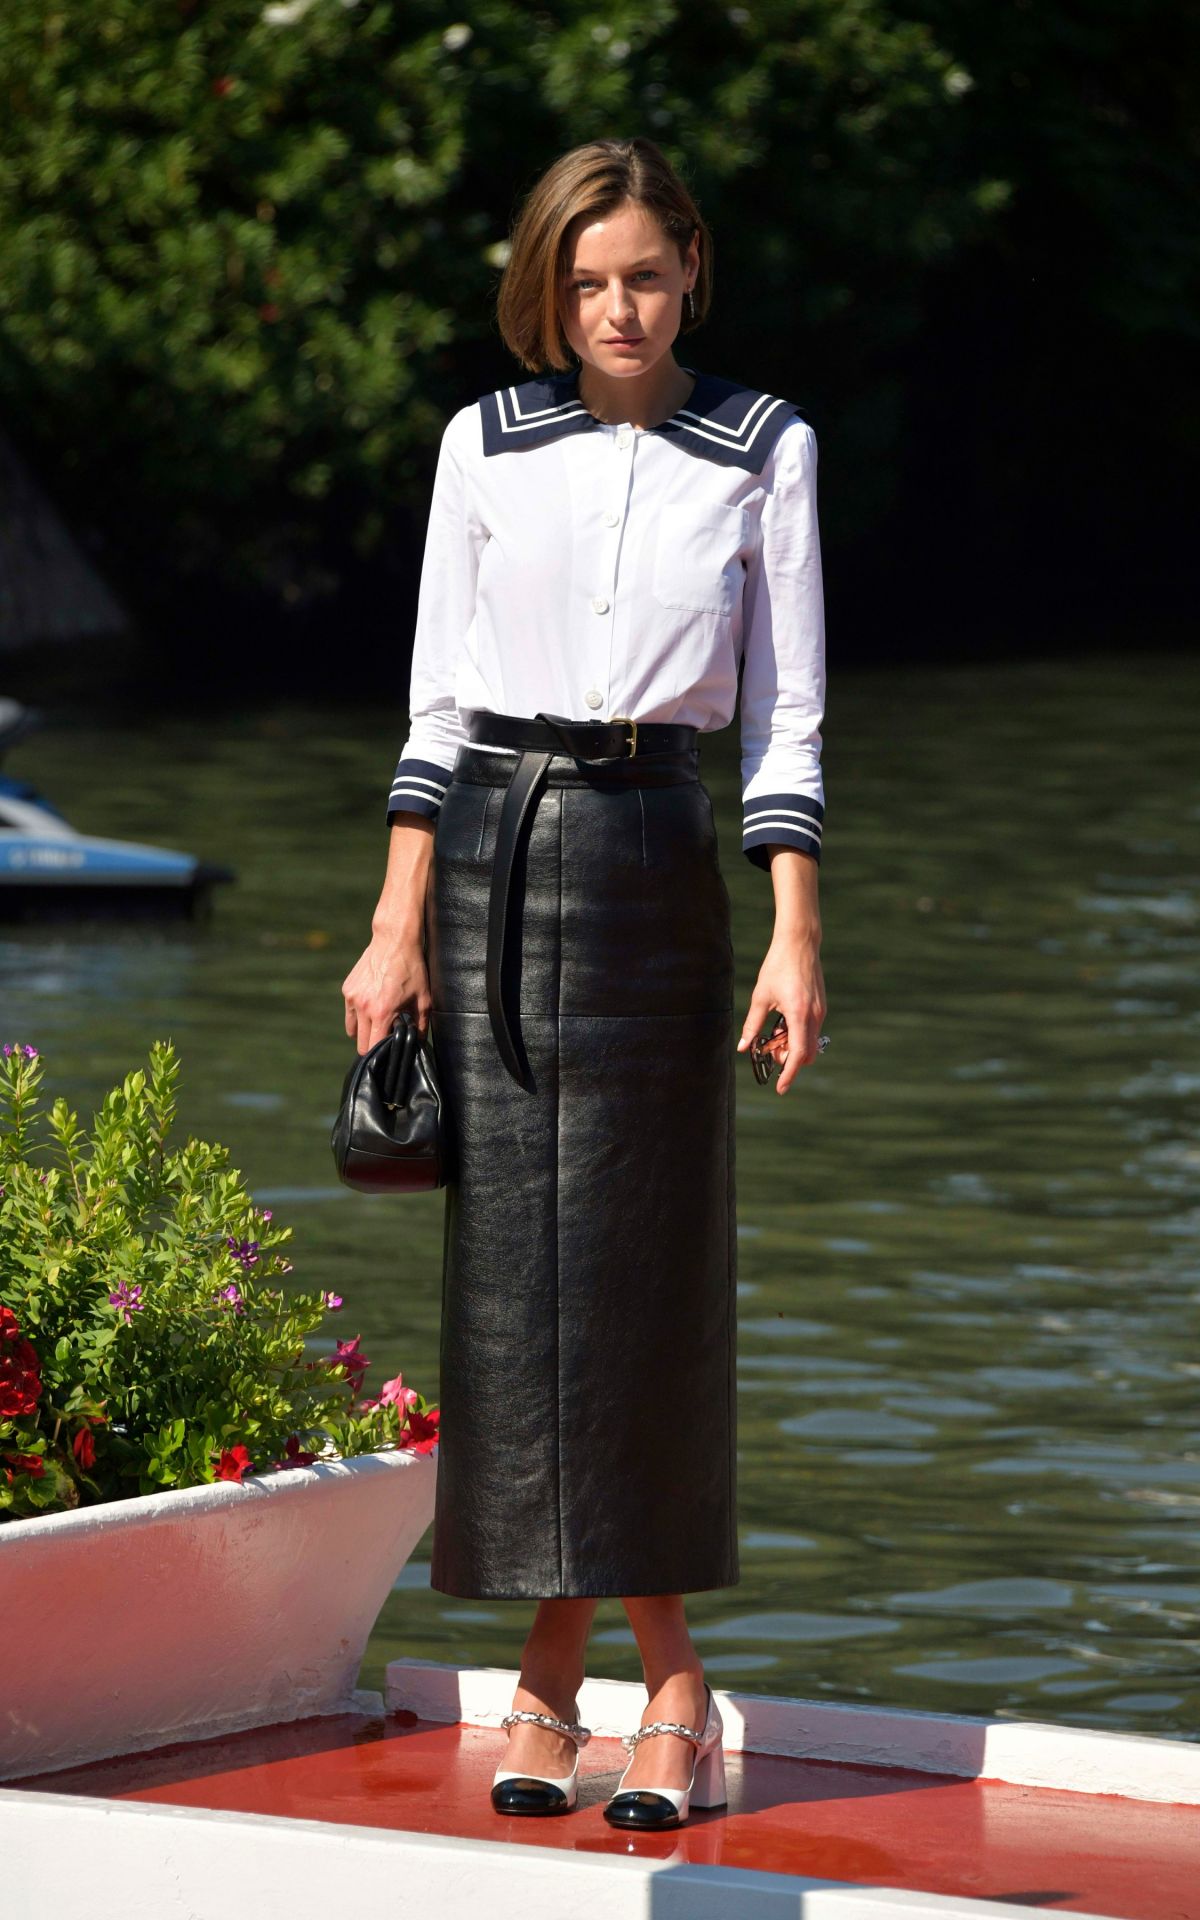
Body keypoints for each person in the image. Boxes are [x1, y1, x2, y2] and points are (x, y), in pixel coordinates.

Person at [342, 134, 828, 1830]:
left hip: (654, 861)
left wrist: (796, 930)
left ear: (691, 265)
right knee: (514, 1288)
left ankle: (630, 1678)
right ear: (550, 288)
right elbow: (435, 705)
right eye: (586, 279)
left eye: (644, 272)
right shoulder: (483, 440)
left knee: (647, 1269)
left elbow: (785, 715)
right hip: (488, 860)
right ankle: (610, 1679)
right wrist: (395, 924)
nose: (616, 307)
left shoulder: (765, 448)